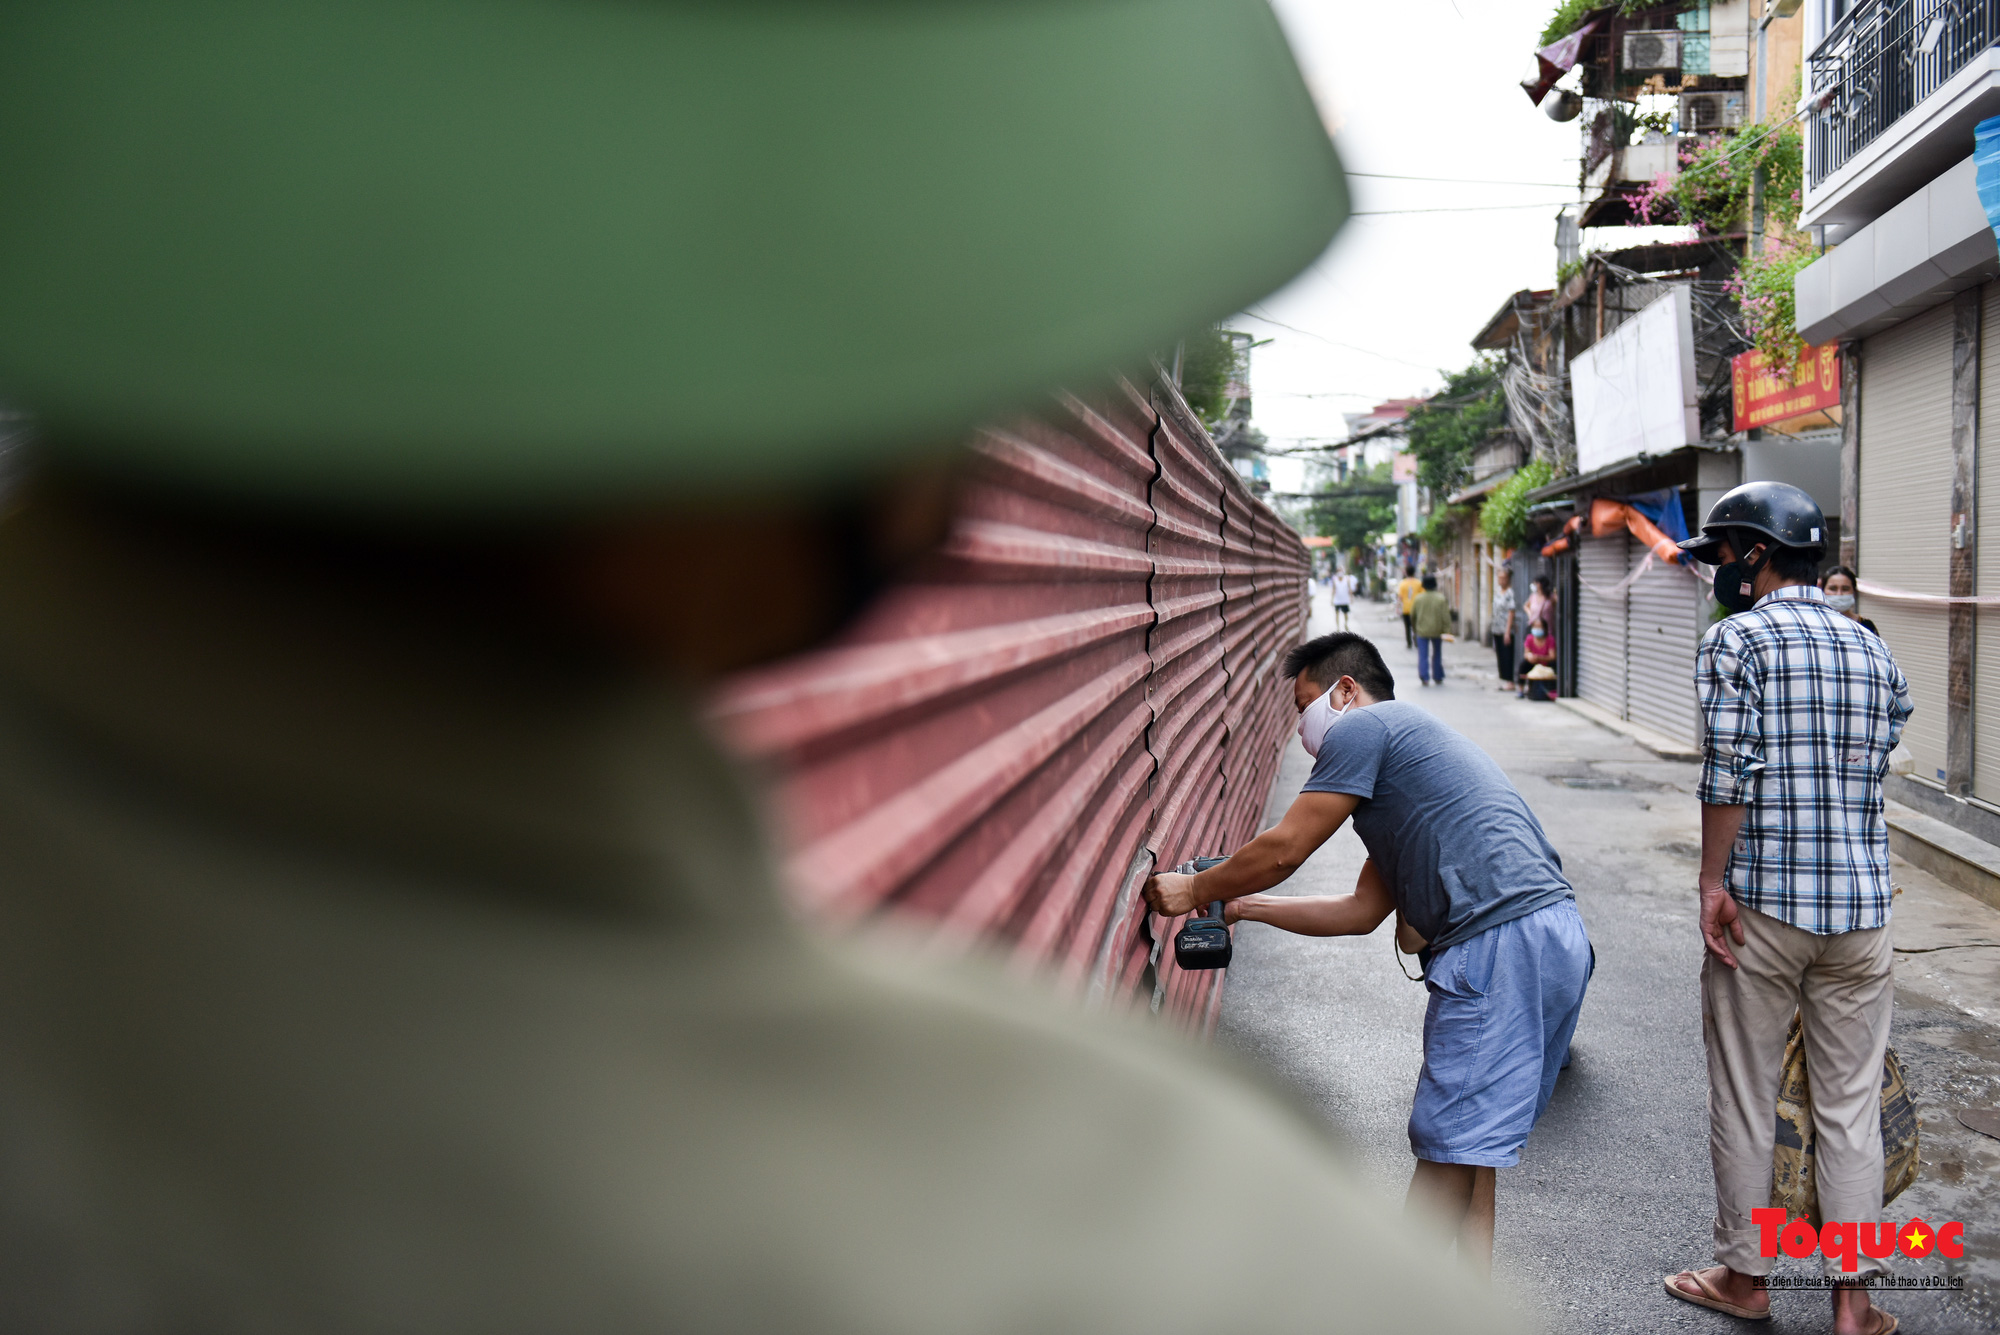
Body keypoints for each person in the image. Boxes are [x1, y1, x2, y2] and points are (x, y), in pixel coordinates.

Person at [0, 5, 1510, 1331]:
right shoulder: (1163, 1254)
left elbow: (1343, 884)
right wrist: (1202, 895)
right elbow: (1319, 862)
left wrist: (1205, 892)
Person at [1143, 632, 1592, 1277]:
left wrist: (1195, 889)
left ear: (1346, 690)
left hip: (1500, 947)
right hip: (1548, 937)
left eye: (1305, 707)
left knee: (1444, 1152)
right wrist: (1239, 907)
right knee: (1471, 1154)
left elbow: (1283, 850)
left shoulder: (1366, 728)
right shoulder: (1407, 772)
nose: (1302, 728)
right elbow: (1358, 913)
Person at [1665, 483, 1913, 1335]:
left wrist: (1709, 881)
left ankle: (1745, 1276)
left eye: (1727, 554)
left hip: (1763, 907)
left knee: (1746, 1092)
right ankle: (1853, 1300)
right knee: (1849, 1103)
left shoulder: (1736, 640)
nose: (1722, 571)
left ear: (1758, 555)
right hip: (1862, 910)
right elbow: (1882, 756)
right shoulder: (1873, 648)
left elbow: (1726, 771)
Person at [1411, 572, 1451, 686]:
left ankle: (1425, 677)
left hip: (1422, 631)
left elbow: (1413, 615)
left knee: (1423, 655)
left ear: (1423, 585)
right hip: (1437, 631)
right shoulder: (1441, 598)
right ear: (1435, 584)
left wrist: (1414, 628)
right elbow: (1445, 616)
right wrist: (1447, 630)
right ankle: (1437, 676)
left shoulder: (1418, 599)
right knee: (1437, 653)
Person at [1820, 565, 1879, 635]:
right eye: (1833, 589)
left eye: (1845, 589)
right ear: (1822, 591)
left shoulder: (1866, 625)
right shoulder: (1817, 623)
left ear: (1854, 592)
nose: (1839, 594)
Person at [1491, 567, 1517, 689]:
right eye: (1499, 578)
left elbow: (1511, 612)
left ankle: (1509, 681)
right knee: (1500, 654)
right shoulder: (1497, 591)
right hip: (1496, 628)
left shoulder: (1510, 593)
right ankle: (1504, 679)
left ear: (1508, 579)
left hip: (1505, 629)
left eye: (1503, 578)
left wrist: (1507, 632)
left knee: (1507, 655)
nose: (1501, 580)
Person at [1518, 618, 1556, 698]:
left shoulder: (1550, 639)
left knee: (1554, 665)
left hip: (1546, 663)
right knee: (1523, 665)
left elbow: (1552, 656)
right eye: (1535, 627)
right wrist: (1530, 657)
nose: (1537, 629)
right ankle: (1520, 690)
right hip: (1533, 663)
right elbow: (1526, 653)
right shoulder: (1529, 638)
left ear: (1544, 629)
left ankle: (1553, 690)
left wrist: (1539, 658)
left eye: (1539, 627)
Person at [1396, 564, 1423, 648]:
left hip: (1406, 609)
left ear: (1406, 573)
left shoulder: (1403, 583)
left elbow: (1400, 597)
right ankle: (1416, 641)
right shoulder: (1418, 583)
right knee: (1416, 626)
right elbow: (1422, 595)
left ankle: (1409, 643)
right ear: (1414, 572)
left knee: (1407, 627)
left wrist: (1397, 607)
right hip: (1416, 609)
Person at [1330, 565, 1356, 630]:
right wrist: (1332, 599)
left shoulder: (1347, 579)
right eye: (1338, 571)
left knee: (1346, 614)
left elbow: (1350, 589)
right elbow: (1333, 590)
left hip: (1345, 599)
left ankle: (1346, 624)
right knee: (1337, 614)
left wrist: (1351, 598)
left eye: (1340, 570)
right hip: (1337, 600)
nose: (1339, 572)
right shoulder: (1335, 580)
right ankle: (1337, 627)